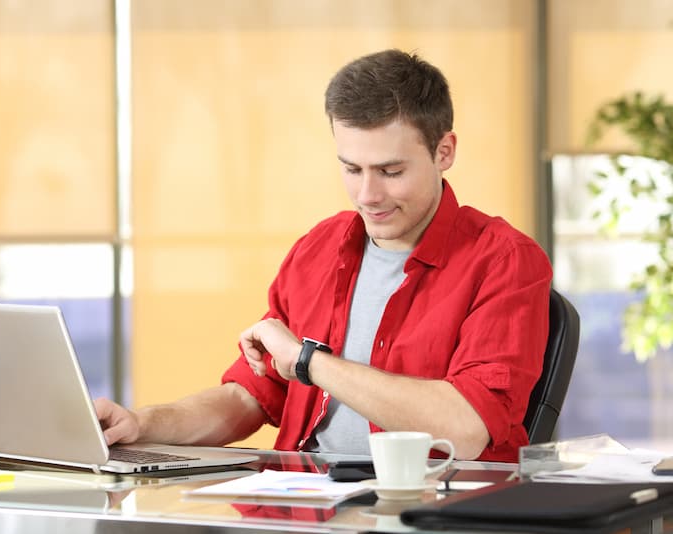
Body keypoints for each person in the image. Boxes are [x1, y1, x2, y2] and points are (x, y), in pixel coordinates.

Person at [95, 49, 552, 462]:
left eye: (391, 171)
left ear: (444, 151)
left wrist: (309, 362)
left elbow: (465, 431)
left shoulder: (505, 260)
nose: (368, 194)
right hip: (306, 504)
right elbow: (251, 395)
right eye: (351, 168)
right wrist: (143, 423)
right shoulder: (319, 247)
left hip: (434, 511)